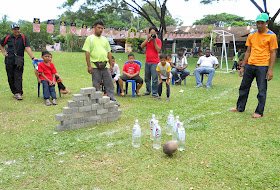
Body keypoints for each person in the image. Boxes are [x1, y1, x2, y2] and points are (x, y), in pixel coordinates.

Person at [229, 13, 278, 118]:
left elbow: (273, 52)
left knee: (261, 90)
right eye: (257, 23)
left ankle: (259, 112)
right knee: (243, 87)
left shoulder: (271, 35)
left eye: (262, 23)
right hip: (250, 65)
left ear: (267, 23)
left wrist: (270, 70)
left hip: (262, 66)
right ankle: (240, 107)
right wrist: (243, 66)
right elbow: (248, 51)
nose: (259, 25)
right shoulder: (252, 35)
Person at [82, 20, 119, 106]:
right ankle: (96, 102)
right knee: (96, 85)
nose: (100, 30)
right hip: (95, 65)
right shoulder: (90, 38)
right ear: (94, 28)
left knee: (109, 84)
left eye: (102, 28)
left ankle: (113, 101)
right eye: (99, 28)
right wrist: (89, 66)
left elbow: (109, 52)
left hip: (105, 65)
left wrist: (110, 64)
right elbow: (87, 53)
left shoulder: (105, 39)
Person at [0, 24, 38, 100]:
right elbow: (1, 44)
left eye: (18, 29)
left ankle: (18, 92)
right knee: (10, 76)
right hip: (9, 59)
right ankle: (14, 92)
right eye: (15, 29)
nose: (17, 30)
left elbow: (27, 47)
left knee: (18, 76)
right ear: (12, 30)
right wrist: (3, 52)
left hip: (19, 59)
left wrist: (33, 57)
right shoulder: (8, 38)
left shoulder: (23, 37)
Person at [141, 26, 162, 98]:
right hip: (147, 61)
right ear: (149, 33)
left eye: (154, 33)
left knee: (155, 78)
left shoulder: (158, 41)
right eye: (151, 33)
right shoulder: (148, 40)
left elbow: (158, 50)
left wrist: (154, 41)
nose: (152, 35)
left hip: (155, 62)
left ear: (156, 33)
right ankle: (148, 90)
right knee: (147, 78)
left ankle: (154, 92)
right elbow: (142, 46)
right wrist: (147, 39)